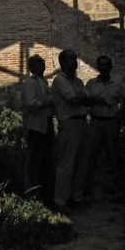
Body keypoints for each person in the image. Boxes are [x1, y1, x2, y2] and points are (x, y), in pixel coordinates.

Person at [51, 48, 93, 210]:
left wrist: (83, 99)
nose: (74, 61)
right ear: (62, 62)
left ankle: (76, 197)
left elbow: (88, 100)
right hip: (69, 123)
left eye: (75, 58)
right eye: (71, 58)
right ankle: (60, 201)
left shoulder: (78, 82)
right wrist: (83, 98)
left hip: (82, 122)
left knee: (82, 162)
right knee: (67, 163)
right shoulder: (60, 80)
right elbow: (75, 100)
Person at [85, 55, 125, 195]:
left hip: (111, 122)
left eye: (106, 65)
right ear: (98, 67)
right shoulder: (91, 84)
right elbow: (85, 99)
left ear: (110, 67)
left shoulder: (117, 86)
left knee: (111, 154)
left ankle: (110, 185)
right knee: (91, 154)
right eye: (101, 65)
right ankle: (90, 184)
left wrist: (120, 113)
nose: (104, 67)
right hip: (95, 122)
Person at [21, 53, 55, 203]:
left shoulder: (44, 82)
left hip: (46, 122)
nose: (40, 66)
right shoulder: (30, 82)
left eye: (42, 63)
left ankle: (43, 190)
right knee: (34, 158)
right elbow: (31, 103)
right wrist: (48, 102)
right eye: (36, 64)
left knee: (47, 157)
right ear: (31, 68)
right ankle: (31, 190)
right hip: (35, 125)